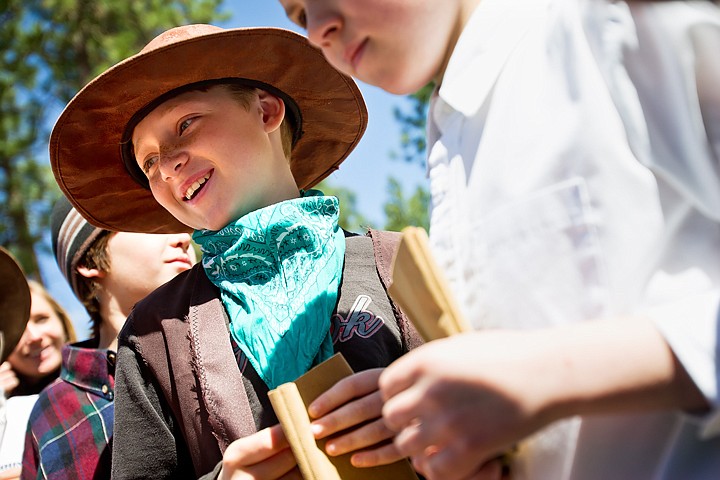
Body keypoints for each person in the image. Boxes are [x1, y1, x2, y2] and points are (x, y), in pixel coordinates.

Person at [277, 0, 720, 479]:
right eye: (300, 15)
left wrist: (545, 377)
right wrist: (439, 407)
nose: (320, 28)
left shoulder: (613, 22)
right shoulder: (451, 131)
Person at [49, 24, 423, 480]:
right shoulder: (153, 333)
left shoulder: (398, 262)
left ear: (266, 110)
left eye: (186, 124)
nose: (167, 165)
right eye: (148, 161)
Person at [20, 196, 196, 479]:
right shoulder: (51, 413)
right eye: (150, 221)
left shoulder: (231, 336)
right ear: (91, 259)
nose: (183, 237)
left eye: (178, 221)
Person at [0, 274, 76, 478]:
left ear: (61, 319)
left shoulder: (110, 372)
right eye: (17, 328)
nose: (34, 337)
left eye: (41, 319)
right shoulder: (10, 411)